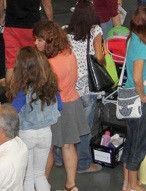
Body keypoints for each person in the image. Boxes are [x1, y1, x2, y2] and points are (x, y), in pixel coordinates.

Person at [31, 22, 86, 186]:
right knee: (68, 146)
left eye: (39, 40)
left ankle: (40, 186)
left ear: (49, 41)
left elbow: (42, 92)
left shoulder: (49, 65)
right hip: (72, 102)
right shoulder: (69, 53)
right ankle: (71, 185)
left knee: (46, 149)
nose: (35, 43)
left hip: (54, 108)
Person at [8, 45, 62, 191]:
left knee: (28, 176)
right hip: (46, 134)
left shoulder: (23, 90)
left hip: (26, 134)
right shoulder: (50, 85)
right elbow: (59, 106)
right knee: (40, 174)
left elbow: (13, 112)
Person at [64, 0, 106, 174]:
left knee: (67, 123)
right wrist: (104, 58)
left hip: (70, 83)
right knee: (85, 127)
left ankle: (60, 157)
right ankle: (83, 163)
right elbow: (99, 57)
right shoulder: (95, 31)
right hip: (88, 85)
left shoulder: (65, 31)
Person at [122, 5, 146, 191]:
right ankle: (132, 185)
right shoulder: (141, 46)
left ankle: (127, 183)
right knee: (138, 144)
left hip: (130, 99)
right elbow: (137, 77)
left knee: (131, 141)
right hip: (139, 101)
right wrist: (144, 96)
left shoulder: (135, 39)